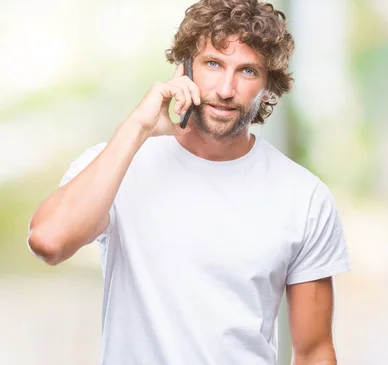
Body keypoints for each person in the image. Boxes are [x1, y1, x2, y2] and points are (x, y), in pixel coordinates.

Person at [27, 0, 350, 364]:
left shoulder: (304, 197)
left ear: (269, 86)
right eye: (213, 64)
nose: (226, 89)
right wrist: (138, 128)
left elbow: (314, 351)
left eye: (247, 71)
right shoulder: (120, 163)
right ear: (185, 68)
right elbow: (48, 241)